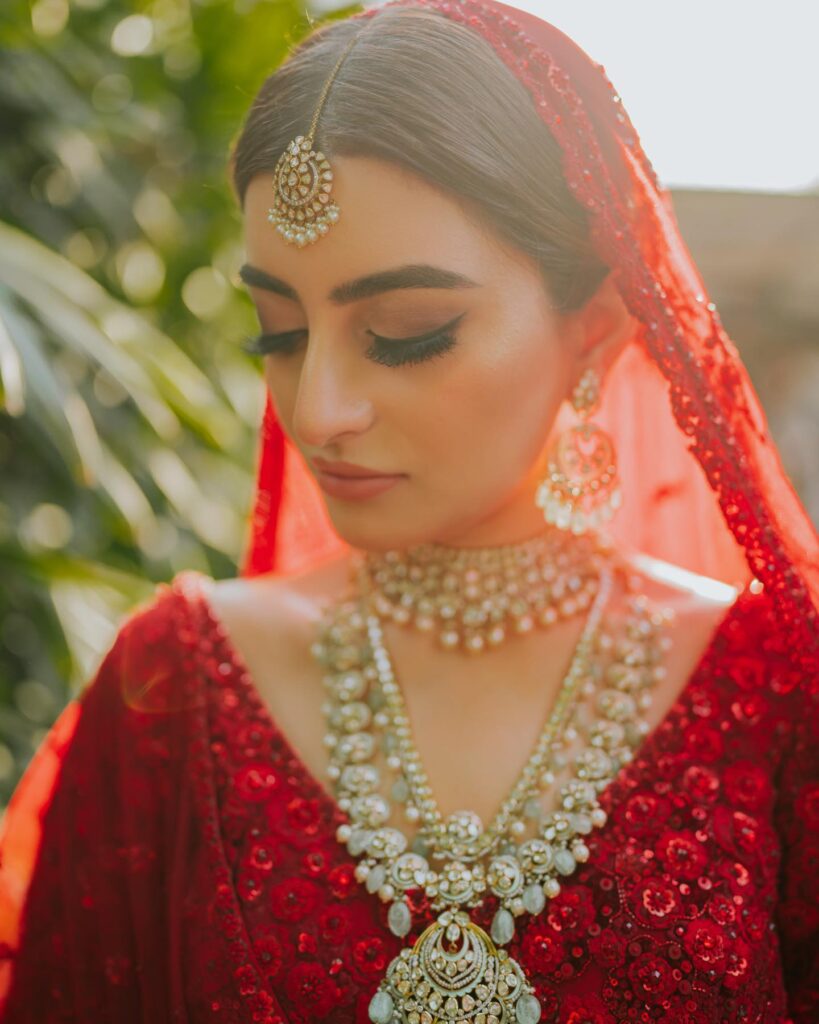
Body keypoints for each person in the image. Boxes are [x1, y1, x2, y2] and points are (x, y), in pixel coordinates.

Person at [0, 0, 817, 1020]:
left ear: (594, 331)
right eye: (279, 333)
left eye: (405, 331)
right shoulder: (176, 690)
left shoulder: (783, 695)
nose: (319, 409)